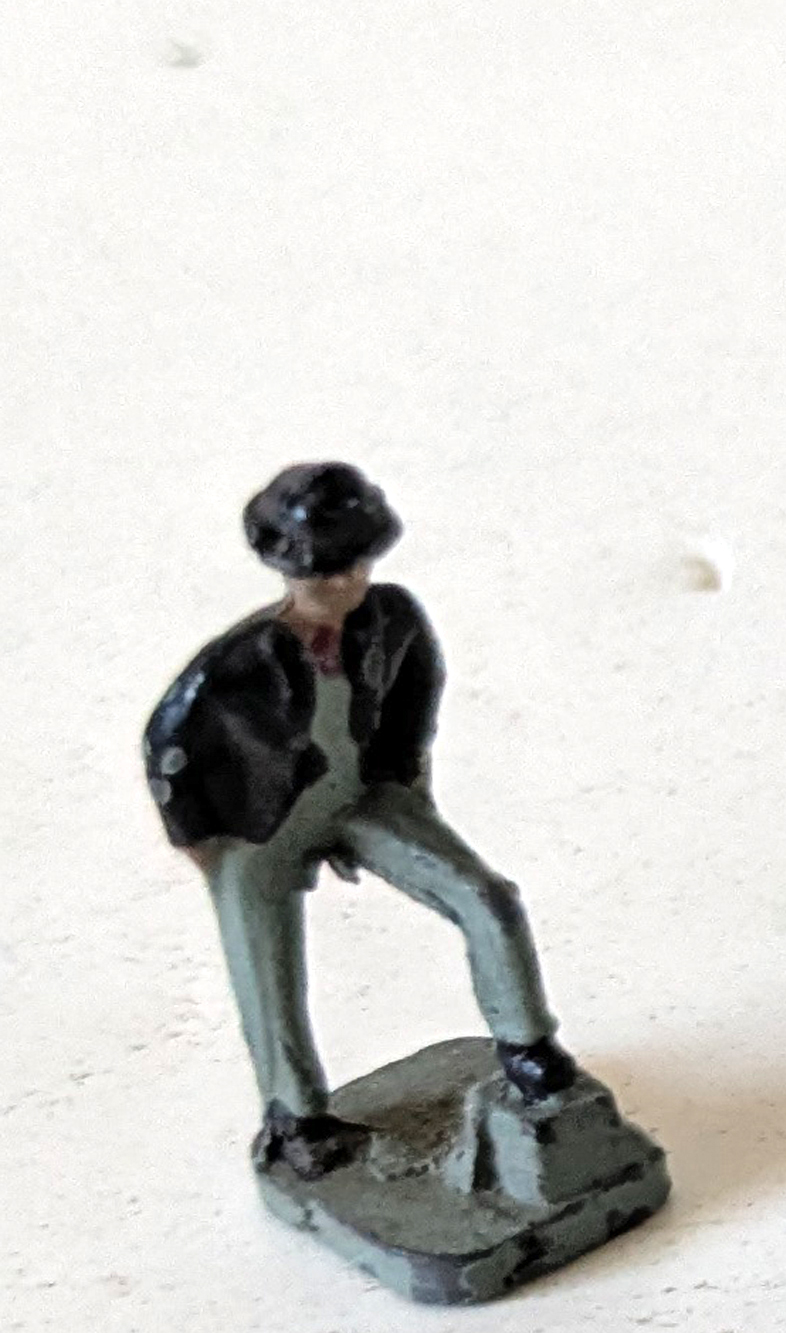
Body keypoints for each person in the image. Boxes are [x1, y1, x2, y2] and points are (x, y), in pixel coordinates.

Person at [145, 463, 584, 1177]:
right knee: (265, 968)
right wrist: (199, 842)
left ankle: (528, 1045)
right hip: (259, 829)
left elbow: (415, 696)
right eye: (325, 574)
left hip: (361, 797)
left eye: (354, 566)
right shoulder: (237, 664)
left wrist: (404, 783)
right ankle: (295, 1116)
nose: (344, 585)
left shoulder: (391, 620)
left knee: (485, 895)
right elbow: (170, 748)